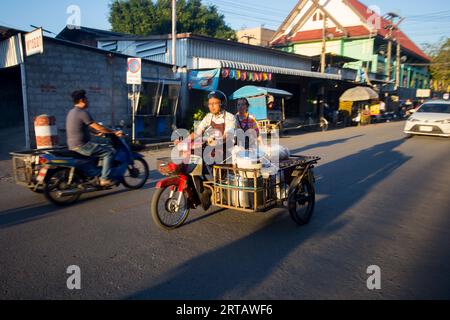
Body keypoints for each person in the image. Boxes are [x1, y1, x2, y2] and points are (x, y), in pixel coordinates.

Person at [66, 90, 123, 187]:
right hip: (82, 145)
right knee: (109, 152)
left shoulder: (72, 112)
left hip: (73, 145)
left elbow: (86, 127)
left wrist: (96, 133)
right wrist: (114, 132)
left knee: (98, 150)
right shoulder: (82, 113)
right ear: (82, 100)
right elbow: (98, 126)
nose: (88, 101)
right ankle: (104, 179)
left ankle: (93, 176)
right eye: (87, 99)